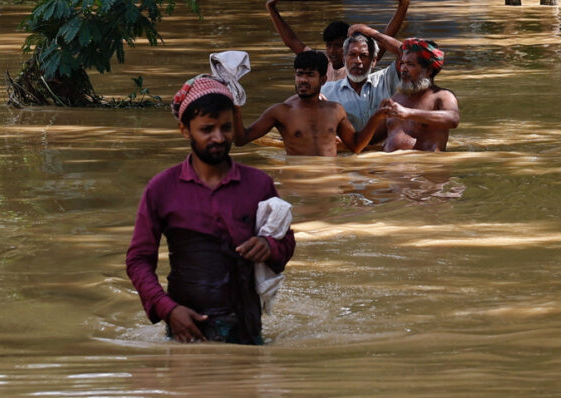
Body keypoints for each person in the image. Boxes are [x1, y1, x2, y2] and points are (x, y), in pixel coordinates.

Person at [125, 76, 295, 345]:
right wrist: (167, 309)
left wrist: (269, 246)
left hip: (246, 331)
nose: (219, 137)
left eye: (226, 128)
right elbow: (138, 261)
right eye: (207, 129)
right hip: (186, 331)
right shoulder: (161, 188)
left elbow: (286, 243)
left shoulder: (258, 184)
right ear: (185, 130)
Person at [233, 51, 387, 156]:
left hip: (329, 183)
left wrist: (377, 117)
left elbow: (356, 146)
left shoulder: (335, 110)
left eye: (310, 75)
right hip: (297, 182)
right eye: (299, 74)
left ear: (323, 80)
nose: (303, 80)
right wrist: (235, 105)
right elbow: (241, 140)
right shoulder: (281, 112)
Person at [266, 0, 411, 82]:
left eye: (337, 46)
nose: (332, 51)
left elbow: (385, 40)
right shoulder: (321, 61)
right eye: (328, 46)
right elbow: (291, 41)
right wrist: (271, 8)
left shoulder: (358, 64)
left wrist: (402, 6)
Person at [379, 38, 459, 152]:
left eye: (410, 64)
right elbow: (370, 140)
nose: (403, 69)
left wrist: (408, 113)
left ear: (428, 71)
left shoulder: (442, 96)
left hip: (426, 166)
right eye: (402, 63)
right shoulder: (395, 98)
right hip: (389, 165)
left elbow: (453, 119)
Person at [320, 28, 403, 133]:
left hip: (384, 148)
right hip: (346, 149)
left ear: (373, 61)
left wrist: (372, 33)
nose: (357, 61)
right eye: (352, 55)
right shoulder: (326, 91)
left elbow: (411, 53)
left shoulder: (386, 80)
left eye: (363, 56)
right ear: (344, 60)